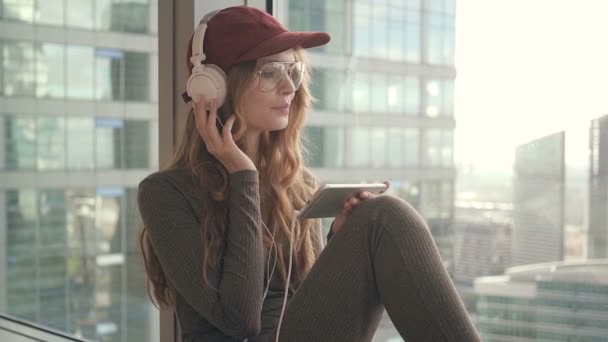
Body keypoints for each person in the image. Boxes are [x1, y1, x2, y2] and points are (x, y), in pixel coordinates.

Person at [137, 5, 480, 342]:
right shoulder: (165, 193)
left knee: (379, 217)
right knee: (384, 217)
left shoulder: (298, 186)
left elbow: (308, 305)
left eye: (293, 71)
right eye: (270, 72)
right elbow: (239, 321)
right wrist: (244, 176)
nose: (290, 87)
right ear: (214, 87)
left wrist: (339, 240)